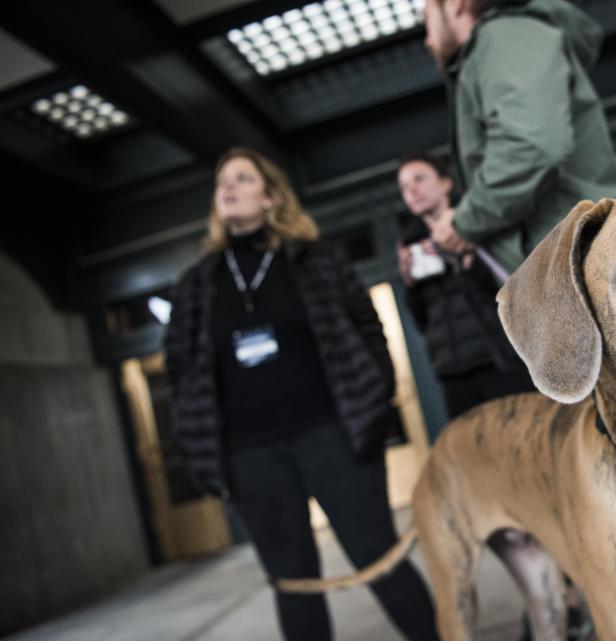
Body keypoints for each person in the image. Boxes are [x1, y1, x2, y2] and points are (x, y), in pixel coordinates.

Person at [163, 148, 439, 641]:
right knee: (294, 582)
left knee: (379, 558)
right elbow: (182, 373)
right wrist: (203, 452)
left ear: (270, 196)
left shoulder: (318, 260)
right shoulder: (196, 285)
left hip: (334, 435)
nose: (227, 188)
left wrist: (374, 401)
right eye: (222, 181)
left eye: (243, 179)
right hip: (251, 455)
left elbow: (368, 330)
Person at [422, 0, 616, 273]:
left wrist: (464, 223)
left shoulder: (503, 35)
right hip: (574, 255)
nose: (427, 39)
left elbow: (532, 146)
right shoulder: (504, 42)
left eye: (425, 17)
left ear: (455, 5)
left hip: (578, 259)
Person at [396, 152, 535, 427]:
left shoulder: (476, 224)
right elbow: (422, 321)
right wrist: (409, 282)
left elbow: (507, 289)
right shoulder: (410, 244)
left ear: (446, 183)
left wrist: (465, 258)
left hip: (499, 359)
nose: (411, 190)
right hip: (453, 371)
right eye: (403, 187)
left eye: (419, 179)